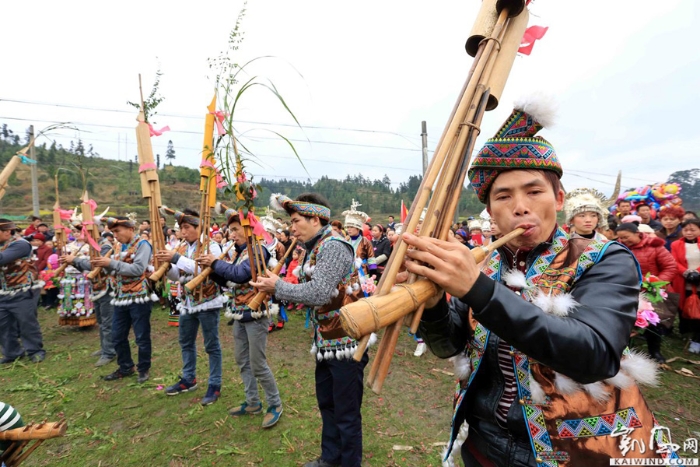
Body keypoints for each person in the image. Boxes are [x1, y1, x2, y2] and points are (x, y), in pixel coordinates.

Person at [406, 101, 677, 466]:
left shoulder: (605, 258)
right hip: (483, 444)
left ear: (559, 198)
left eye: (534, 191)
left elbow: (594, 355)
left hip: (578, 451)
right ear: (490, 211)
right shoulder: (482, 264)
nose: (520, 207)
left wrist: (476, 290)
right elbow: (448, 345)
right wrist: (434, 300)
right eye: (503, 196)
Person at [257, 193, 365, 467]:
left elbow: (318, 293)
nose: (292, 228)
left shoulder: (333, 246)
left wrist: (277, 287)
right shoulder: (316, 246)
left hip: (346, 342)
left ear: (315, 219)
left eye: (295, 221)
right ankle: (330, 458)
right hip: (326, 339)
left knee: (347, 413)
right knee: (328, 404)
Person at [198, 209, 282, 428]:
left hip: (256, 314)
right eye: (230, 230)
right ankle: (252, 401)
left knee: (258, 363)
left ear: (248, 229)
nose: (231, 234)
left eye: (235, 230)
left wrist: (215, 263)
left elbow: (240, 274)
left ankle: (275, 404)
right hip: (239, 312)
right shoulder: (238, 252)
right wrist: (211, 270)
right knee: (242, 360)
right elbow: (229, 282)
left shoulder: (259, 250)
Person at [156, 209, 226, 406]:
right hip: (187, 302)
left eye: (187, 227)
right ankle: (189, 379)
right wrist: (167, 269)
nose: (183, 232)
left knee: (211, 345)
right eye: (181, 228)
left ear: (199, 227)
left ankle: (214, 384)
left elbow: (203, 270)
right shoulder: (182, 247)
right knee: (185, 342)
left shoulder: (212, 247)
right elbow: (180, 276)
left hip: (208, 301)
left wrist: (175, 259)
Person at [93, 217, 157, 383]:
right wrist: (106, 266)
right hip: (121, 297)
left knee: (141, 336)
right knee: (117, 335)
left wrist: (111, 263)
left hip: (139, 297)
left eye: (117, 231)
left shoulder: (143, 245)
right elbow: (115, 272)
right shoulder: (118, 247)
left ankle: (144, 368)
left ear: (130, 229)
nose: (115, 235)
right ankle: (126, 366)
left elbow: (137, 269)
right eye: (113, 232)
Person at [615, 222, 677, 363]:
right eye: (620, 238)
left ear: (637, 234)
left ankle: (654, 351)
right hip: (626, 290)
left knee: (654, 322)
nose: (623, 241)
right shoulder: (619, 248)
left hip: (652, 291)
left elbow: (670, 266)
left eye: (626, 237)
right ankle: (623, 350)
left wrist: (656, 282)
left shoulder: (655, 247)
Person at [61, 228, 117, 367]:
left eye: (83, 233)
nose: (80, 236)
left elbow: (96, 266)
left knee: (107, 322)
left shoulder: (104, 247)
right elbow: (87, 269)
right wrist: (73, 262)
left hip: (107, 289)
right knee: (101, 321)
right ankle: (106, 347)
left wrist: (75, 259)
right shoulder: (92, 246)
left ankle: (109, 352)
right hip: (97, 287)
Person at [0, 219, 45, 364]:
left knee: (26, 323)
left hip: (22, 291)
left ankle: (35, 351)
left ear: (7, 232)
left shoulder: (20, 244)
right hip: (2, 292)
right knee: (3, 325)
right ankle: (12, 353)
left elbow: (2, 259)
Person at [670, 218, 700, 353]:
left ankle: (697, 338)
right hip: (683, 280)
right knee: (684, 307)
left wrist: (697, 273)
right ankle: (687, 332)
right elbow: (674, 261)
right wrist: (686, 272)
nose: (689, 233)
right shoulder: (676, 244)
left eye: (692, 230)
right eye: (686, 230)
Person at [343, 200, 377, 279]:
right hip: (347, 273)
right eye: (347, 227)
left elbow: (371, 258)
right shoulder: (345, 241)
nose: (349, 229)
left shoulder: (365, 241)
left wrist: (373, 273)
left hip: (362, 272)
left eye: (351, 227)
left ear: (358, 228)